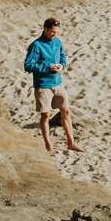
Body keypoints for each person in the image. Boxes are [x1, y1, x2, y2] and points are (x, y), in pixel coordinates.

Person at [24, 17, 84, 153]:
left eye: (56, 32)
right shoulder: (36, 45)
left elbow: (62, 56)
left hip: (58, 83)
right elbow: (28, 65)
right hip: (43, 85)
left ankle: (71, 143)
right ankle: (48, 145)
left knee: (66, 111)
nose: (55, 34)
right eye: (52, 32)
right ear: (45, 29)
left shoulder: (57, 41)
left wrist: (62, 65)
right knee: (45, 115)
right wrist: (48, 67)